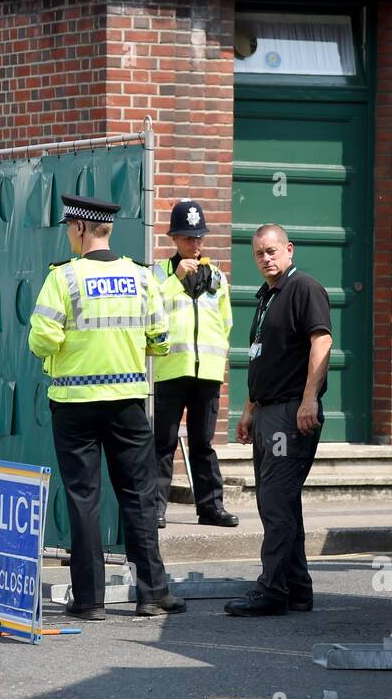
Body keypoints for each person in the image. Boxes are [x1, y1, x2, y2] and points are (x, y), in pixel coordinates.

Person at [28, 194, 186, 620]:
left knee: (84, 499)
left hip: (75, 404)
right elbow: (161, 338)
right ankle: (152, 593)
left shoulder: (63, 278)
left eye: (67, 227)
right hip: (129, 404)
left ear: (80, 228)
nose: (67, 234)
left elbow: (42, 339)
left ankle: (90, 601)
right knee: (138, 496)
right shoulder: (140, 276)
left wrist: (57, 357)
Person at [225, 224, 332, 617]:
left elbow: (322, 342)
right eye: (259, 254)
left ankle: (271, 588)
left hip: (291, 412)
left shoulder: (303, 288)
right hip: (268, 411)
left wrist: (308, 401)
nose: (266, 259)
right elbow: (262, 357)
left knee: (275, 501)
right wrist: (249, 410)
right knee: (282, 502)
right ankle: (297, 589)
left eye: (272, 251)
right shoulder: (267, 297)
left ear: (288, 249)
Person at [151, 199, 239, 529]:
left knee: (203, 444)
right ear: (174, 238)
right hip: (171, 369)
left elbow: (226, 322)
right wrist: (175, 278)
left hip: (208, 374)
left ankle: (210, 508)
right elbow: (151, 310)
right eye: (189, 237)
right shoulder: (159, 275)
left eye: (199, 237)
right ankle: (156, 508)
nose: (195, 243)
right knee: (163, 444)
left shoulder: (217, 276)